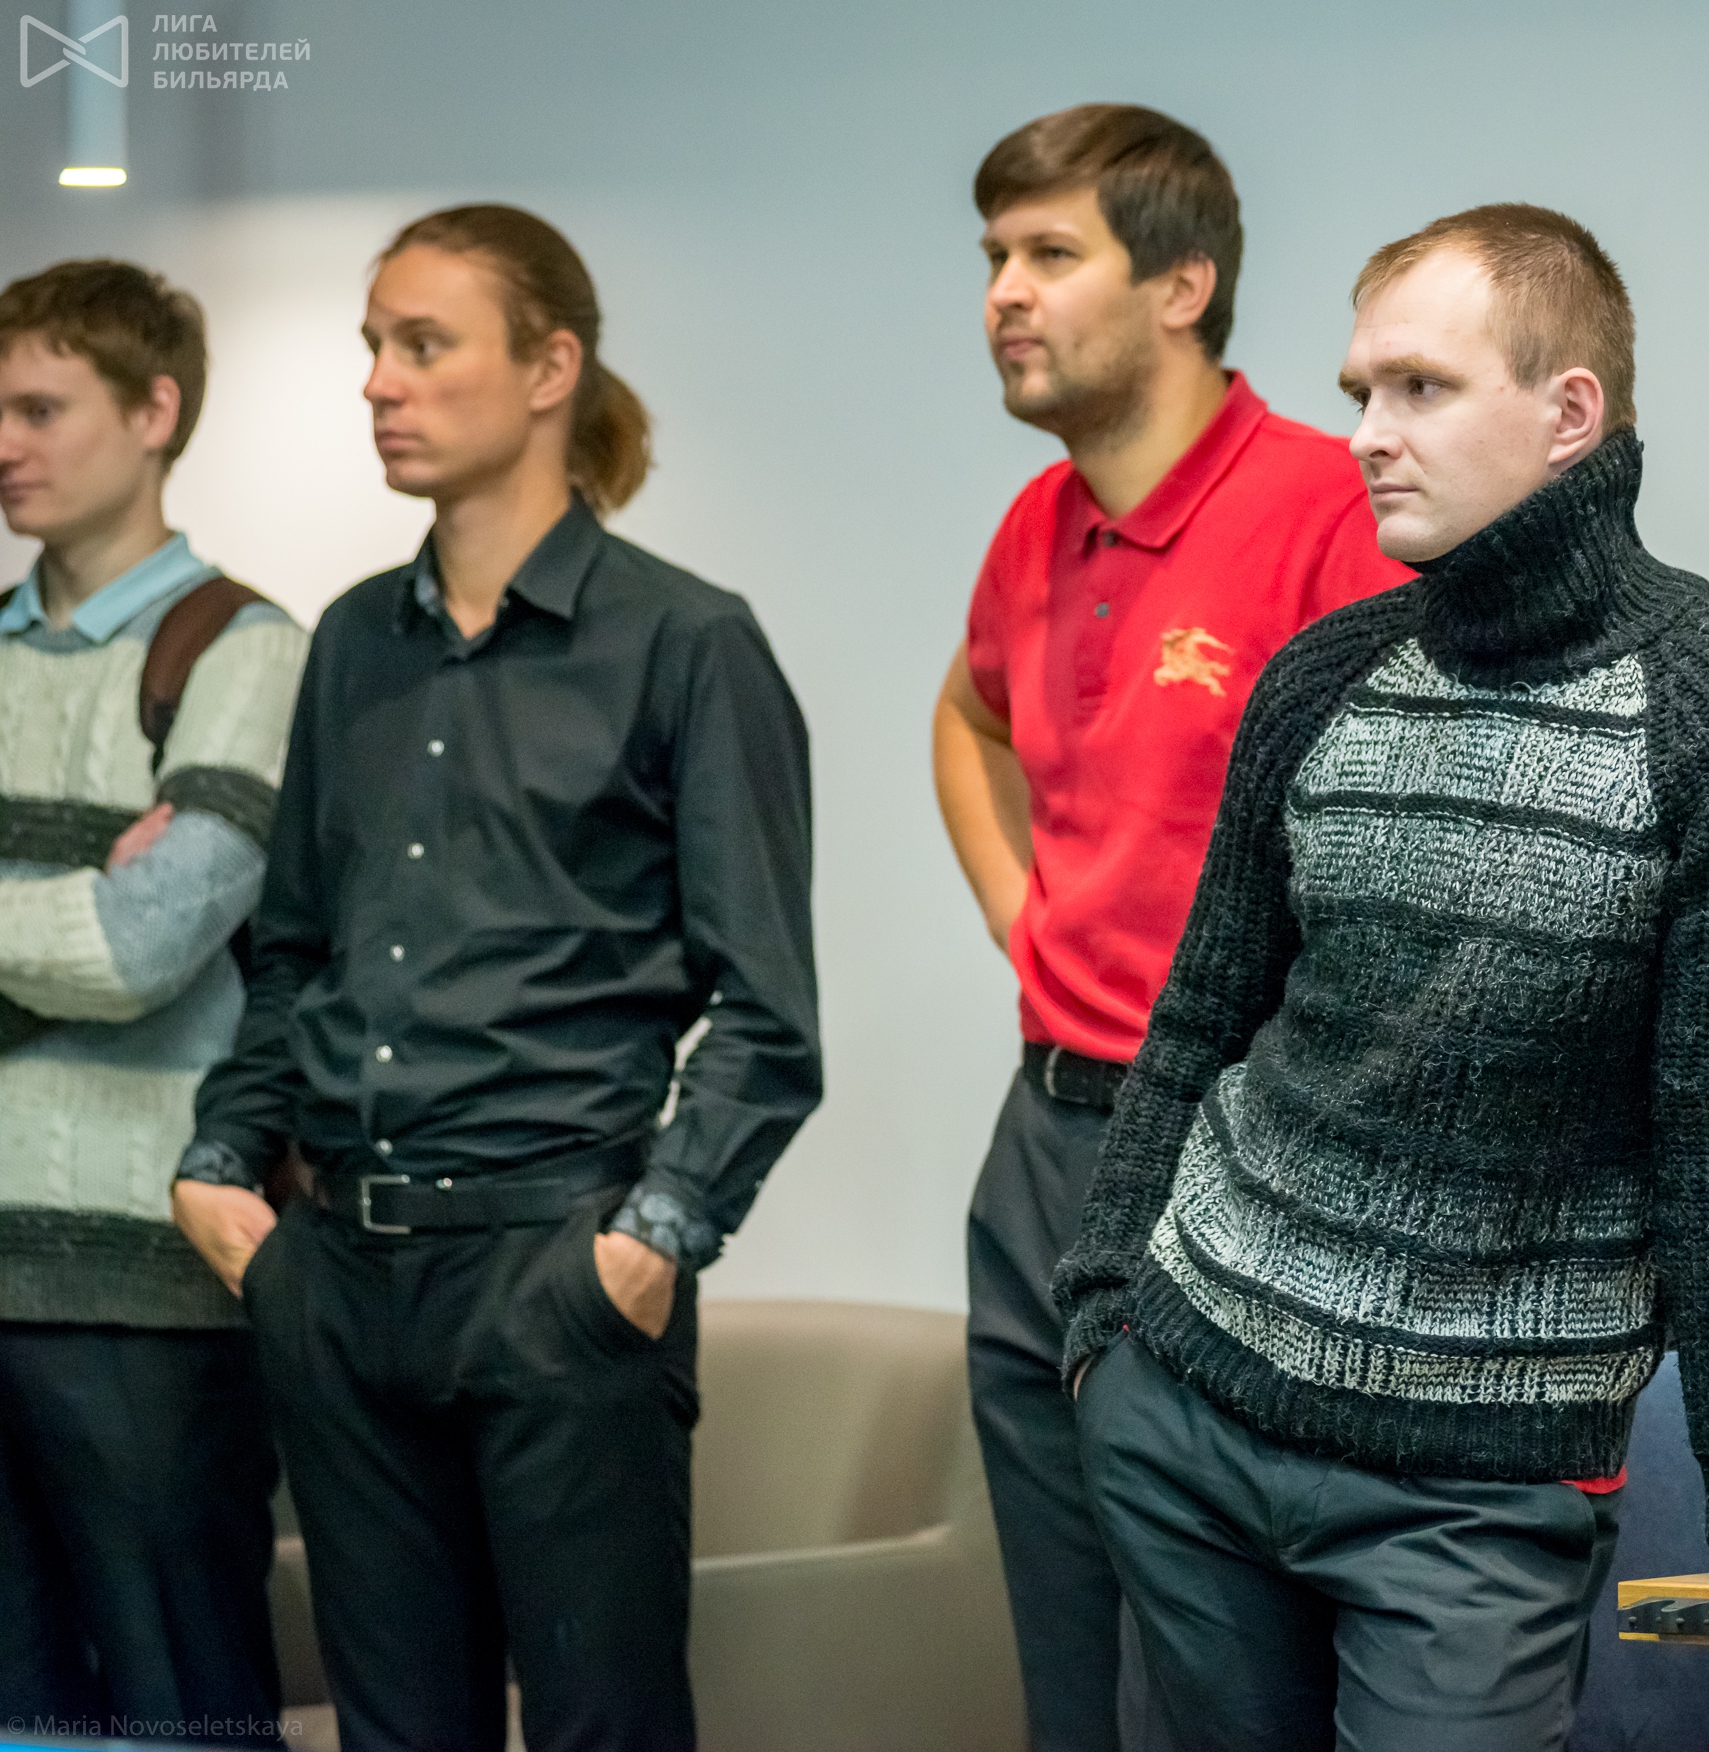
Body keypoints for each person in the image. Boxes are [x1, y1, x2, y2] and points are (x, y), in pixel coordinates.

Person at [1056, 204, 1709, 1751]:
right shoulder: (1323, 678)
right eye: (1362, 390)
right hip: (1187, 1410)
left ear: (1570, 412)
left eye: (1420, 389)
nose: (1367, 434)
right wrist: (1103, 1318)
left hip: (1474, 1486)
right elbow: (1201, 1024)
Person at [170, 205, 822, 1752]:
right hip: (337, 1282)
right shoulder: (353, 642)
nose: (379, 383)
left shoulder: (687, 642)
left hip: (558, 1274)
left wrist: (653, 1241)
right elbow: (296, 951)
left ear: (548, 368)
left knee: (602, 1730)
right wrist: (220, 1166)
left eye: (423, 344)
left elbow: (768, 1014)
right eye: (372, 348)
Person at [932, 104, 1410, 1751]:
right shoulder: (1036, 523)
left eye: (1050, 254)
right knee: (1069, 1669)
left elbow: (1401, 836)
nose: (1005, 291)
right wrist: (1031, 927)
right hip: (1041, 1139)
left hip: (1229, 1146)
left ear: (1181, 286)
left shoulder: (1327, 511)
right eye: (995, 256)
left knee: (1207, 1681)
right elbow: (967, 720)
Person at [0, 259, 305, 1750]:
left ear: (155, 410)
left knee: (184, 1712)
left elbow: (140, 949)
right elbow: (98, 931)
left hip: (149, 1294)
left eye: (40, 408)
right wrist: (64, 900)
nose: (5, 445)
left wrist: (93, 919)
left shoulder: (245, 652)